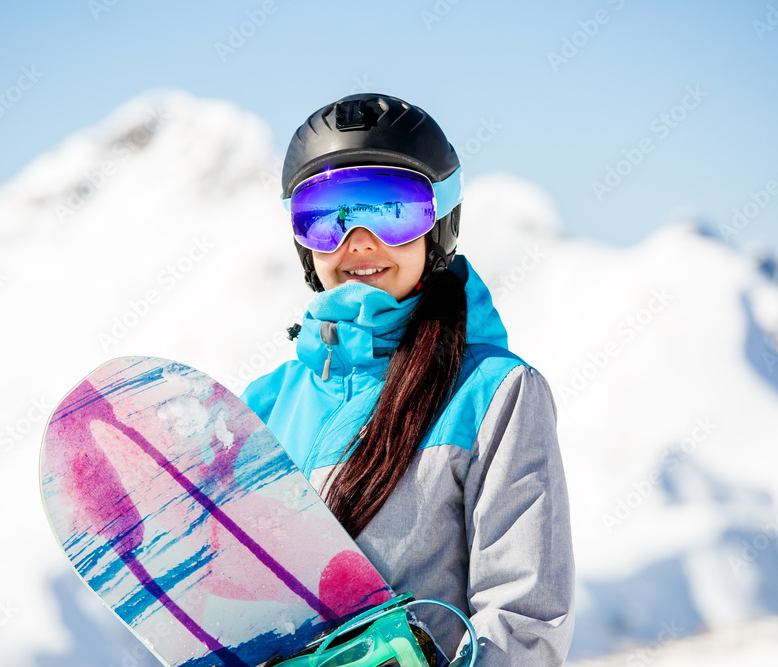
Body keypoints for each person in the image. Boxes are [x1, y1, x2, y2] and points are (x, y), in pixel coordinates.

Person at [241, 93, 574, 665]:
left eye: (392, 210)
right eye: (327, 215)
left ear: (439, 225)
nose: (360, 241)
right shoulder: (262, 406)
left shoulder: (494, 394)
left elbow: (523, 618)